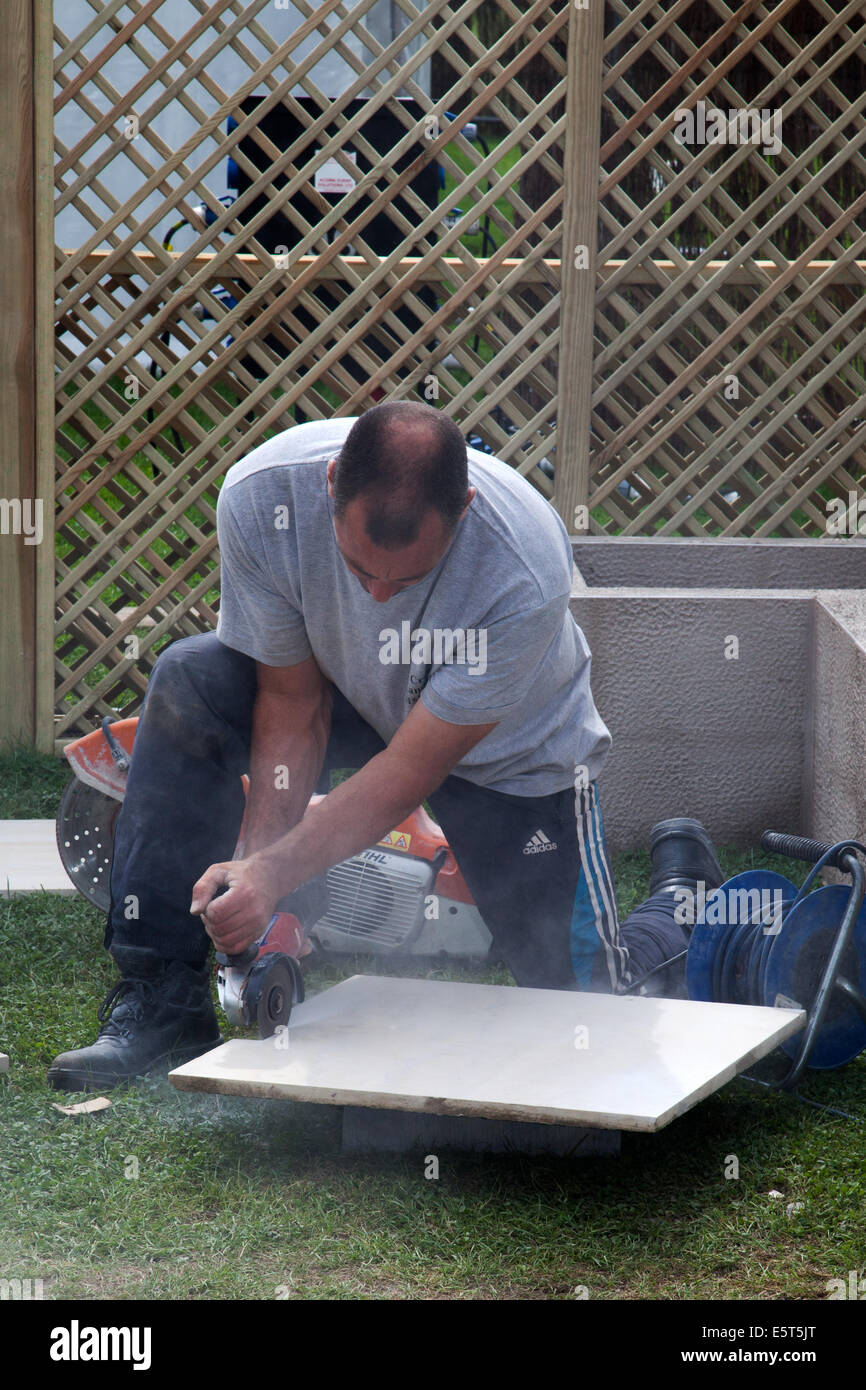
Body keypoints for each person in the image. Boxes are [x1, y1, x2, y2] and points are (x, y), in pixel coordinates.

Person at [48, 402, 724, 1092]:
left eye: (404, 581)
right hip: (348, 688)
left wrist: (274, 875)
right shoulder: (264, 498)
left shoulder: (523, 568)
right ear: (333, 482)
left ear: (463, 508)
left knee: (588, 1003)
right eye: (356, 567)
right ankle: (163, 1002)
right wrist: (256, 878)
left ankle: (683, 895)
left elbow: (408, 771)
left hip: (508, 753)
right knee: (191, 677)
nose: (375, 597)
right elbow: (291, 705)